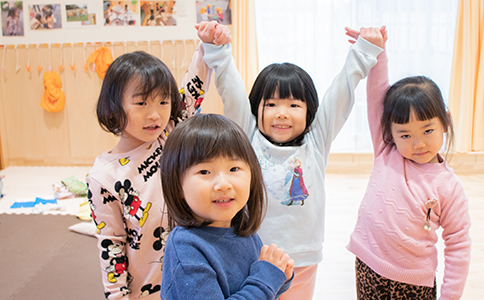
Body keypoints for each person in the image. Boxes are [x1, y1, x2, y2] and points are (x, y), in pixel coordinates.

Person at [195, 20, 386, 299]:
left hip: (302, 259)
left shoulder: (316, 140)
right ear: (255, 107)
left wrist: (364, 50)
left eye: (293, 105)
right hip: (253, 254)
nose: (281, 113)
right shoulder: (248, 137)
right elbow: (231, 87)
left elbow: (341, 92)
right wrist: (217, 47)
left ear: (309, 111)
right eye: (271, 104)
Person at [86, 26, 231, 300]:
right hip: (149, 289)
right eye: (141, 103)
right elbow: (111, 244)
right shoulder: (103, 176)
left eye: (164, 102)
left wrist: (206, 46)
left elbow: (192, 90)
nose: (155, 114)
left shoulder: (169, 134)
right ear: (114, 107)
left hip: (196, 272)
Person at [345, 27, 471, 300]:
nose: (418, 144)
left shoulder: (449, 187)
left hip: (414, 284)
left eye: (427, 130)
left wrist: (450, 297)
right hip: (368, 266)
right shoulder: (386, 150)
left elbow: (458, 245)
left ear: (445, 122)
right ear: (391, 132)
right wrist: (378, 51)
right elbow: (378, 95)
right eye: (406, 134)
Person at [160, 114, 295, 299]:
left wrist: (277, 277)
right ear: (177, 186)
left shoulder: (243, 233)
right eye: (204, 171)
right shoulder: (186, 248)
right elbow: (257, 286)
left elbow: (251, 288)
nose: (223, 184)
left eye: (233, 169)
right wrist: (266, 279)